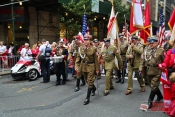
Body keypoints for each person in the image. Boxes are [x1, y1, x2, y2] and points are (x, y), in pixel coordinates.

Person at [139, 36, 164, 109]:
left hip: (157, 71)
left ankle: (150, 101)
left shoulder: (161, 50)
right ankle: (160, 96)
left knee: (153, 86)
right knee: (152, 85)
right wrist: (140, 69)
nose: (151, 44)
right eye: (150, 43)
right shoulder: (147, 49)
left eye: (152, 43)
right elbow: (142, 60)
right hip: (148, 70)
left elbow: (164, 60)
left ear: (157, 43)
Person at [75, 34, 99, 105]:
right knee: (87, 80)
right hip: (83, 66)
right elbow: (78, 58)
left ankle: (87, 98)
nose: (85, 41)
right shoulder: (81, 48)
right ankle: (93, 88)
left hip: (91, 66)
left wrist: (97, 69)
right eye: (84, 40)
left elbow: (96, 60)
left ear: (90, 41)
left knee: (90, 80)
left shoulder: (93, 48)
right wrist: (76, 65)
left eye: (87, 40)